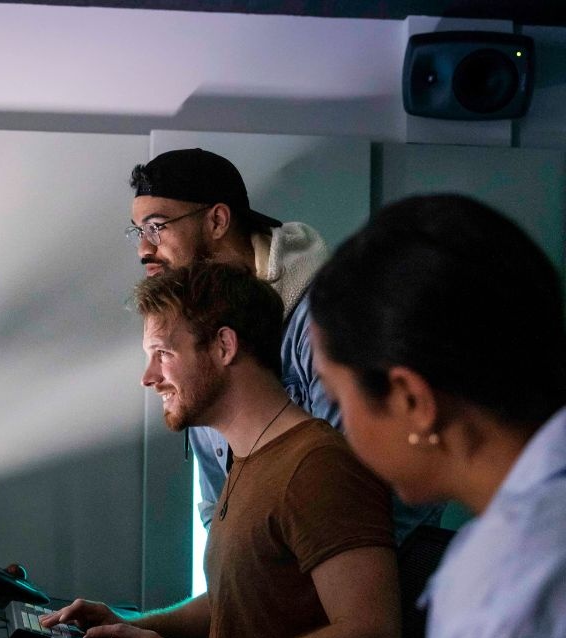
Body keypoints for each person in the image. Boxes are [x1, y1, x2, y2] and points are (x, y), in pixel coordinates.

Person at [171, 194, 566, 638]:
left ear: (411, 401)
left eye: (335, 397)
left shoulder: (519, 596)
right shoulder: (509, 541)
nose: (336, 426)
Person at [41, 260, 400, 638]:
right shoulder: (250, 459)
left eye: (163, 354)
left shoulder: (317, 466)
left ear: (225, 346)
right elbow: (241, 599)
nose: (148, 377)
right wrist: (135, 626)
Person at [127, 147, 441, 541]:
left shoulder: (326, 318)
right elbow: (218, 510)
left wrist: (301, 584)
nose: (143, 249)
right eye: (138, 232)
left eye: (157, 227)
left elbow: (365, 491)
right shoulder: (195, 334)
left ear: (218, 220)